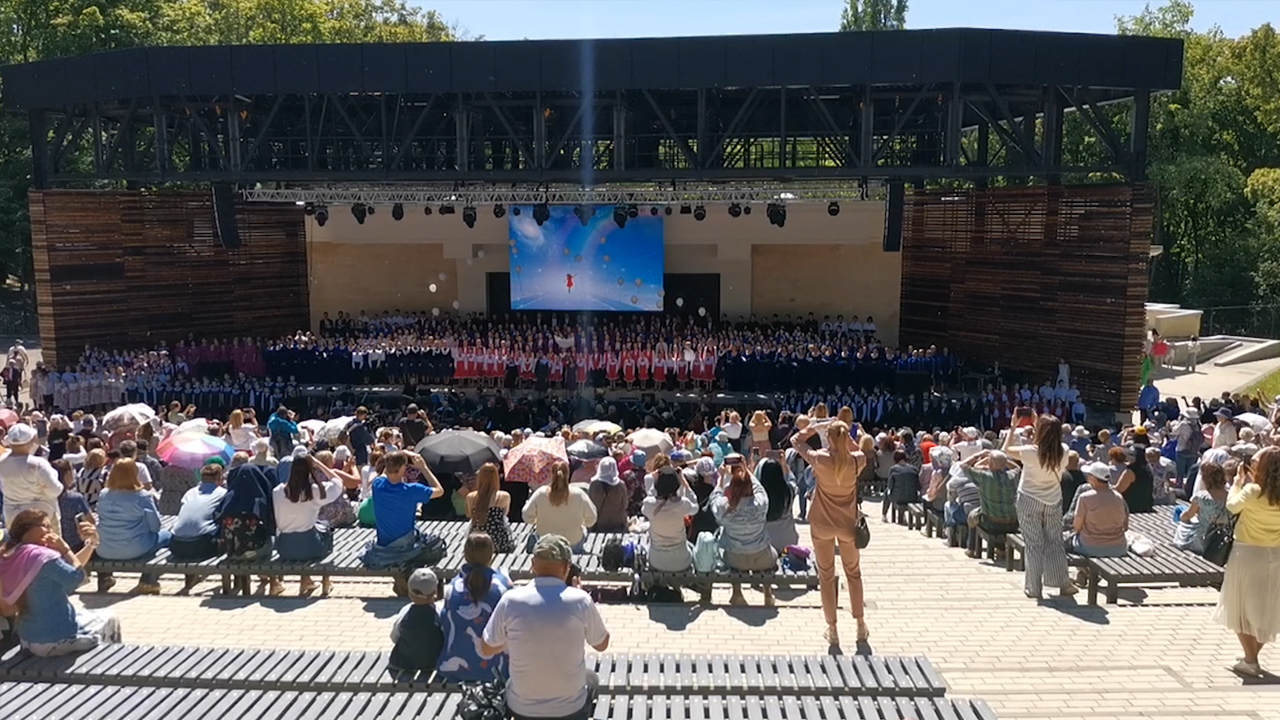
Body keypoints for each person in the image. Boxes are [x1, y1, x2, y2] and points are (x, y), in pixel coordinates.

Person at [480, 535, 610, 720]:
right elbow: (601, 644)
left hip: (522, 709)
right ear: (566, 567)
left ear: (533, 564)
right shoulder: (580, 600)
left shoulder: (511, 599)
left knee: (510, 681)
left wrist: (510, 640)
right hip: (570, 710)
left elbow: (486, 648)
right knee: (592, 679)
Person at [0, 509, 120, 656]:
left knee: (89, 617)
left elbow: (68, 567)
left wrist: (91, 544)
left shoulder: (12, 556)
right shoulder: (43, 557)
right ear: (28, 528)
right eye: (45, 525)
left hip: (28, 639)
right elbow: (78, 577)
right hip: (56, 640)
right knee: (110, 618)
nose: (51, 531)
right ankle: (106, 666)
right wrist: (65, 549)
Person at [790, 420, 867, 645]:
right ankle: (860, 625)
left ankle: (832, 629)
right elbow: (860, 449)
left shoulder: (820, 459)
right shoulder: (856, 461)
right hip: (848, 525)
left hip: (822, 523)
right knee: (854, 574)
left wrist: (815, 427)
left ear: (829, 438)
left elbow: (796, 441)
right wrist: (847, 439)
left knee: (826, 576)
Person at [1213, 446, 1280, 676]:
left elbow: (1232, 506)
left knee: (1239, 606)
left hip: (1247, 554)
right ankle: (1251, 656)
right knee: (1266, 608)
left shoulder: (1252, 491)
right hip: (1274, 554)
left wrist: (1238, 483)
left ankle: (1250, 660)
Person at [1006, 415, 1077, 599]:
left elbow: (1006, 450)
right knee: (1055, 542)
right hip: (1053, 499)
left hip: (1029, 499)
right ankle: (1062, 582)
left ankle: (1034, 587)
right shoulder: (1064, 450)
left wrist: (1013, 427)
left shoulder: (1030, 451)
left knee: (1034, 545)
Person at [363, 450, 446, 596]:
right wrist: (424, 468)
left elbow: (384, 472)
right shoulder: (412, 490)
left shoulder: (378, 485)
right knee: (437, 544)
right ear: (403, 468)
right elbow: (440, 491)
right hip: (406, 545)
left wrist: (398, 454)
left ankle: (402, 579)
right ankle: (410, 577)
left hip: (384, 545)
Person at [437, 533, 514, 682]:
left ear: (465, 555)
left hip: (454, 671)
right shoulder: (504, 586)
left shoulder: (452, 588)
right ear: (491, 555)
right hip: (498, 671)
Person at [709, 453, 777, 607]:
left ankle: (737, 593)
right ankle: (767, 593)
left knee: (723, 546)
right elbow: (759, 488)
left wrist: (721, 477)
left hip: (735, 556)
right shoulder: (760, 503)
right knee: (769, 555)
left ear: (731, 488)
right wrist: (746, 470)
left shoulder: (725, 507)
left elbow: (715, 496)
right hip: (761, 555)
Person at [95, 459, 169, 594]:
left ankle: (104, 577)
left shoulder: (104, 494)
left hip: (104, 548)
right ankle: (148, 580)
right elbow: (155, 527)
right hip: (135, 548)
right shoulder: (142, 496)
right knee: (168, 536)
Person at [274, 453, 344, 596]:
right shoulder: (315, 491)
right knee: (326, 527)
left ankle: (306, 580)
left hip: (284, 546)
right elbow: (338, 482)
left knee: (315, 526)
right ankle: (326, 580)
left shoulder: (278, 491)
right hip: (309, 546)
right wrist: (319, 463)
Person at [214, 463, 279, 596]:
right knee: (271, 542)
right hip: (256, 552)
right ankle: (274, 582)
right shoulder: (259, 501)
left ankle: (240, 583)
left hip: (231, 552)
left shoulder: (227, 500)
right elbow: (270, 527)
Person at [954, 450, 1020, 558]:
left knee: (973, 515)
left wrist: (977, 455)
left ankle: (971, 548)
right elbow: (1018, 468)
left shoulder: (984, 476)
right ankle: (1001, 549)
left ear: (991, 464)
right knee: (997, 515)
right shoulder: (1012, 477)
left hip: (990, 523)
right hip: (1012, 523)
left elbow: (963, 465)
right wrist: (1004, 461)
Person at [1, 423, 63, 533]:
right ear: (30, 441)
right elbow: (55, 490)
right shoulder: (38, 464)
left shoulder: (2, 462)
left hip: (13, 515)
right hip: (40, 513)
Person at [522, 461, 596, 552]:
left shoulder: (540, 493)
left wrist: (536, 520)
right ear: (568, 474)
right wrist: (582, 523)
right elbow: (592, 519)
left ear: (552, 474)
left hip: (546, 542)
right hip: (573, 542)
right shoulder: (579, 494)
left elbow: (526, 516)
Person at [388, 568, 445, 677]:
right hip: (434, 662)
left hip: (405, 664)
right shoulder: (440, 612)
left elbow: (394, 637)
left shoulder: (405, 611)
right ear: (435, 592)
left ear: (409, 593)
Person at [1066, 462, 1129, 557]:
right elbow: (1125, 526)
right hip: (1118, 547)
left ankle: (1084, 570)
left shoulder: (1085, 497)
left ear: (1093, 478)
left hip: (1090, 547)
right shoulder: (1119, 497)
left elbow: (1077, 527)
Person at [641, 467, 699, 572]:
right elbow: (695, 507)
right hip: (682, 560)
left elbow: (650, 498)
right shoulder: (683, 504)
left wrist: (654, 482)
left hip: (656, 560)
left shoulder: (649, 505)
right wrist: (684, 483)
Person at [170, 462, 228, 564]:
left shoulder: (190, 492)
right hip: (201, 545)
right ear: (219, 478)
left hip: (176, 544)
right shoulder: (222, 493)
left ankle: (192, 577)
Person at [1173, 460, 1231, 554]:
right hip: (1223, 537)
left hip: (1203, 538)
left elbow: (1188, 515)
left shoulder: (1201, 496)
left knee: (1182, 521)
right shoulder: (1230, 495)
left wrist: (1182, 519)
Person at [467, 463, 515, 553]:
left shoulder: (471, 497)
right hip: (500, 540)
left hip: (477, 541)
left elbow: (470, 514)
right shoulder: (504, 496)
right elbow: (505, 514)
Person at [756, 457, 798, 552]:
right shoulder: (789, 492)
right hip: (788, 543)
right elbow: (792, 480)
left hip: (765, 545)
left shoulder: (757, 497)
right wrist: (784, 464)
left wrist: (753, 465)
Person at [586, 457, 628, 533]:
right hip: (617, 524)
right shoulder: (621, 485)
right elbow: (625, 505)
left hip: (599, 525)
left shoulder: (594, 485)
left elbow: (591, 506)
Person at [1115, 444, 1155, 514]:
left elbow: (1118, 489)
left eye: (1130, 455)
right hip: (1146, 506)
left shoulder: (1130, 471)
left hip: (1132, 507)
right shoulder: (1148, 468)